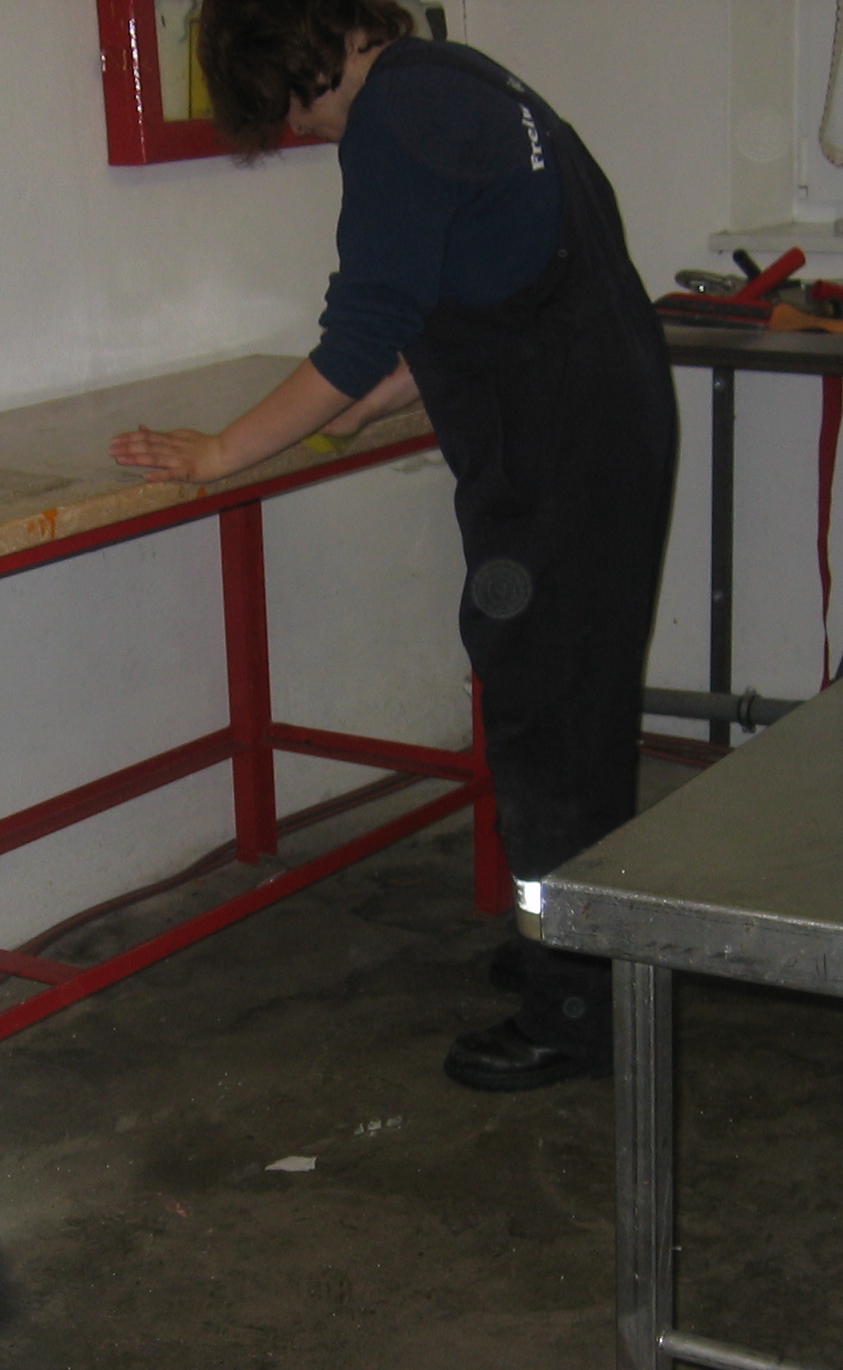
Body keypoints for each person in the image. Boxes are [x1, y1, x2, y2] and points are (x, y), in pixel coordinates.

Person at [110, 0, 677, 1092]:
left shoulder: (394, 125)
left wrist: (220, 451)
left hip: (560, 452)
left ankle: (577, 1011)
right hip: (598, 423)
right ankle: (578, 947)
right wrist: (375, 399)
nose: (297, 132)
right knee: (573, 707)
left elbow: (363, 325)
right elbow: (488, 281)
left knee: (549, 723)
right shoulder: (453, 81)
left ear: (293, 66)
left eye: (285, 113)